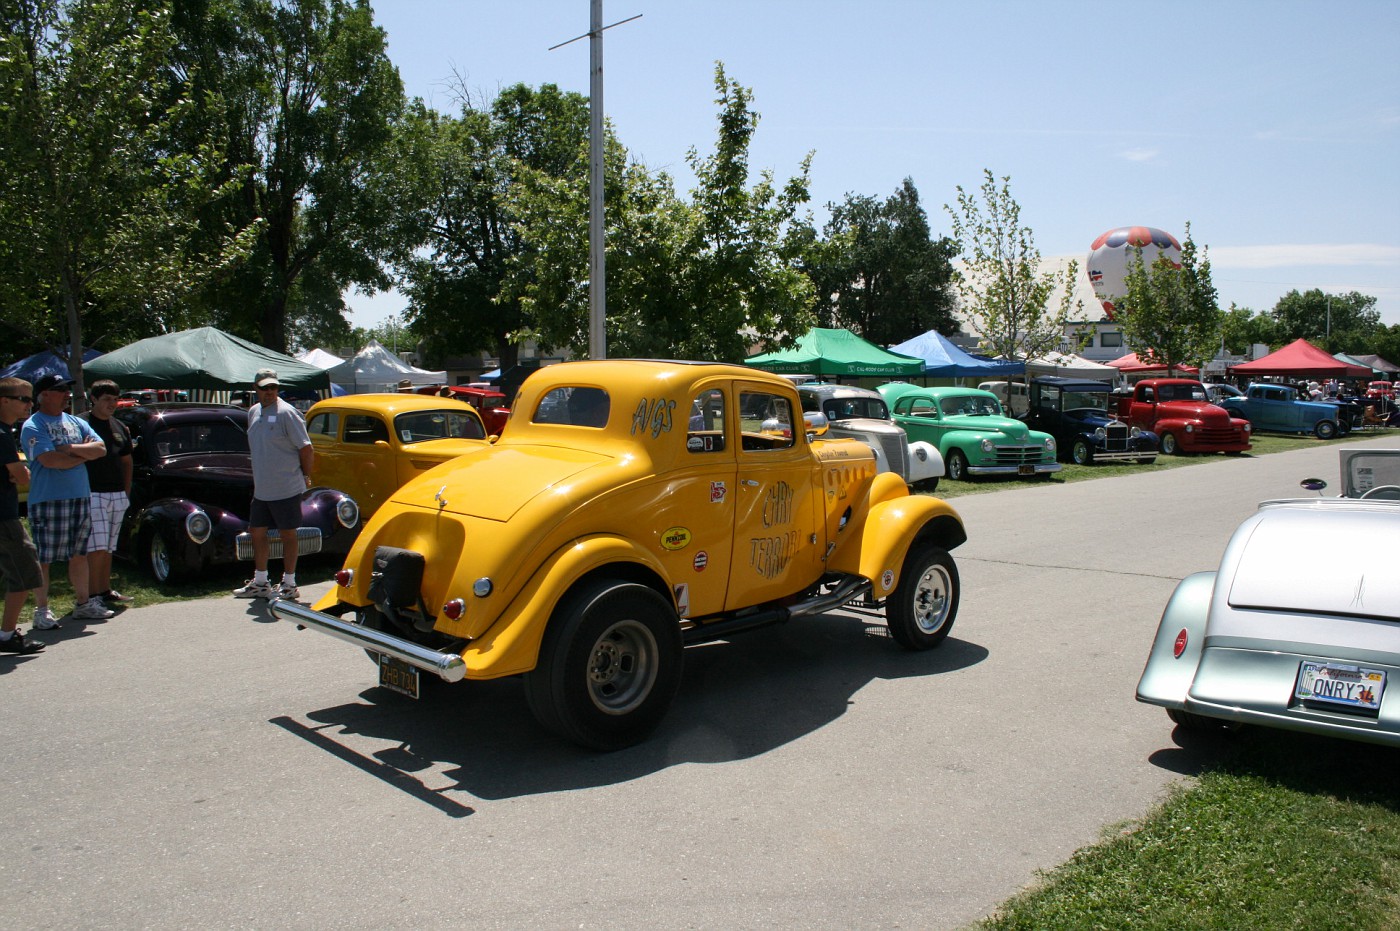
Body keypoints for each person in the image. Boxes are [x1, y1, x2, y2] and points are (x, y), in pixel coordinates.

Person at [20, 373, 114, 627]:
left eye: (67, 389)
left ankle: (83, 604)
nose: (66, 395)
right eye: (60, 390)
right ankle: (42, 611)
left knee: (79, 554)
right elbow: (51, 460)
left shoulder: (75, 422)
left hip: (79, 496)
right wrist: (84, 455)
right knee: (44, 559)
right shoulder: (33, 425)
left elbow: (101, 449)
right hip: (47, 500)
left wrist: (69, 449)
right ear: (44, 395)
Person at [233, 368, 313, 601]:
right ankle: (260, 582)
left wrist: (306, 475)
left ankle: (289, 584)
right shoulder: (253, 411)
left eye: (273, 387)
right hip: (262, 489)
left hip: (286, 486)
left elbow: (306, 448)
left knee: (288, 534)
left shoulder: (287, 413)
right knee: (257, 532)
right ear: (255, 388)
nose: (269, 392)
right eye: (264, 388)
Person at [79, 379, 134, 606]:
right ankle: (91, 596)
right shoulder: (81, 423)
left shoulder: (119, 426)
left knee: (109, 547)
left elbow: (127, 461)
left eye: (115, 399)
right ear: (93, 399)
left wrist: (126, 492)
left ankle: (104, 590)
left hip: (117, 494)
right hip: (92, 493)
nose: (112, 404)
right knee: (97, 547)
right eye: (106, 399)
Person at [0, 377, 45, 654]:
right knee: (25, 571)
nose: (30, 404)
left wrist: (17, 473)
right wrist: (20, 473)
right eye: (24, 399)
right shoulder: (3, 435)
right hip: (4, 518)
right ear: (4, 401)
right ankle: (6, 635)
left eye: (31, 399)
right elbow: (22, 476)